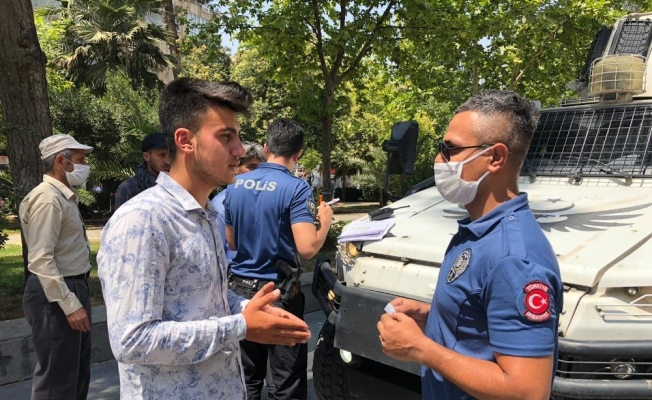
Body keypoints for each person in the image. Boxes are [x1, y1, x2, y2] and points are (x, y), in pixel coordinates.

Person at [97, 78, 311, 400]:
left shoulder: (208, 214)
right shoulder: (143, 221)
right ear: (185, 140)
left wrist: (250, 308)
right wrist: (241, 326)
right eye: (226, 136)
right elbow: (132, 340)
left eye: (237, 136)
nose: (239, 150)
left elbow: (204, 298)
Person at [377, 90, 563, 400]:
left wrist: (420, 349)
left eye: (450, 149)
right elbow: (484, 324)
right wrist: (434, 316)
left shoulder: (514, 259)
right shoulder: (479, 231)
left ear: (496, 158)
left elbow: (528, 391)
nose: (439, 160)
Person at [224, 118, 334, 400]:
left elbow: (231, 242)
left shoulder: (235, 184)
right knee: (285, 383)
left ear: (265, 147)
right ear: (298, 154)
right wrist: (324, 223)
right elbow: (307, 248)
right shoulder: (296, 188)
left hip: (239, 294)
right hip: (278, 294)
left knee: (246, 379)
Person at [20, 134, 94, 400]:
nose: (85, 165)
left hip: (72, 285)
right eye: (80, 160)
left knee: (77, 371)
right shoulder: (47, 199)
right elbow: (41, 259)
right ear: (62, 161)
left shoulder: (63, 196)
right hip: (56, 293)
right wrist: (70, 304)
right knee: (57, 379)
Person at [211, 141, 266, 263]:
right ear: (236, 168)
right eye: (252, 167)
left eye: (261, 168)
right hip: (235, 270)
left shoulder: (269, 199)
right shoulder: (220, 203)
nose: (257, 173)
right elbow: (217, 250)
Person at [114, 131, 171, 209]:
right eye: (162, 155)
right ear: (146, 156)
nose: (168, 161)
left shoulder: (180, 186)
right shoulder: (128, 189)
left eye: (170, 156)